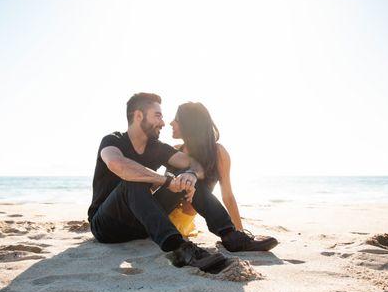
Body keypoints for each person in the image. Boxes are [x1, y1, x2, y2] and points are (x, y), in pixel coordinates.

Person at [88, 92, 278, 273]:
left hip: (140, 227)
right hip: (106, 226)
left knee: (182, 173)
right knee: (133, 181)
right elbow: (116, 164)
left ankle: (231, 235)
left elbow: (194, 164)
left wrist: (191, 175)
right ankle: (180, 249)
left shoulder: (157, 148)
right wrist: (165, 180)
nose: (163, 122)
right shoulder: (113, 141)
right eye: (158, 116)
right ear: (138, 116)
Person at [168, 102, 250, 236]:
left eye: (176, 119)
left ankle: (231, 234)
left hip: (181, 221)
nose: (171, 123)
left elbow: (227, 195)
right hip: (163, 214)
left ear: (190, 124)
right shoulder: (176, 151)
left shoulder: (217, 152)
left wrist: (240, 231)